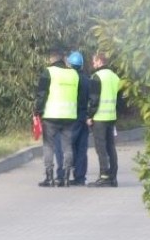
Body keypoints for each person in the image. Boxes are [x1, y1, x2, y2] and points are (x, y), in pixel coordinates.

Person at [34, 51, 83, 187]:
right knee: (67, 146)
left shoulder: (48, 72)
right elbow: (78, 95)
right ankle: (67, 177)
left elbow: (41, 93)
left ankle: (49, 177)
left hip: (51, 115)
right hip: (69, 116)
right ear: (63, 60)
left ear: (51, 59)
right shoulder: (74, 74)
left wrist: (37, 110)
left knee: (49, 146)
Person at [87, 53, 121, 187]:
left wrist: (90, 116)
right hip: (111, 117)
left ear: (99, 61)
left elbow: (94, 99)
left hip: (99, 118)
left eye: (94, 61)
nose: (93, 64)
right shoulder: (115, 77)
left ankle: (104, 176)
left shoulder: (97, 77)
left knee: (101, 148)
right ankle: (113, 177)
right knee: (111, 147)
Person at [67, 50, 91, 186]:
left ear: (70, 64)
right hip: (84, 116)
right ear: (81, 65)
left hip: (72, 116)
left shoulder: (70, 79)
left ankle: (70, 172)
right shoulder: (87, 79)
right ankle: (80, 177)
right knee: (82, 147)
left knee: (70, 145)